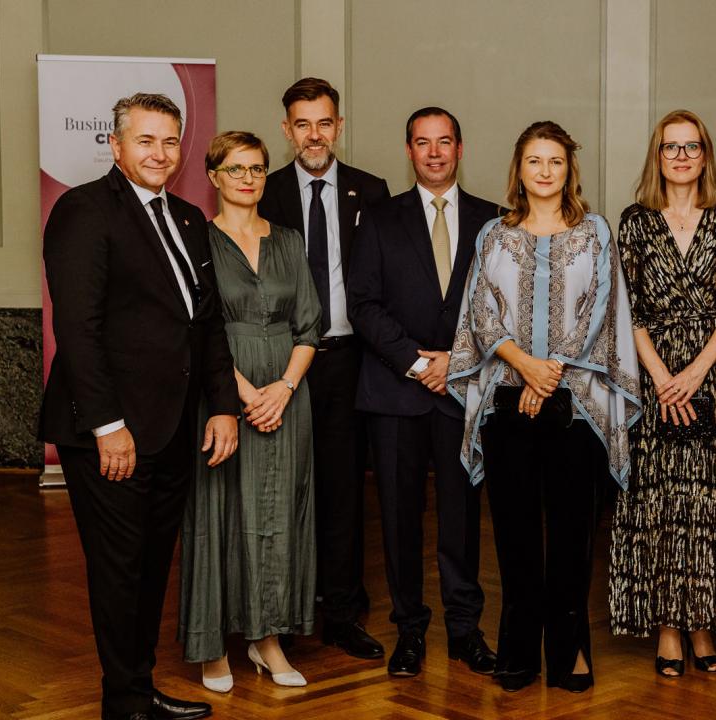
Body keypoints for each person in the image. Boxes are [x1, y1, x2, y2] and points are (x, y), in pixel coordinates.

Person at [39, 92, 238, 720]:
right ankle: (122, 701)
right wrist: (109, 426)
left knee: (152, 568)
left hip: (173, 427)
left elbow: (204, 326)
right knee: (120, 570)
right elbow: (77, 329)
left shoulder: (185, 217)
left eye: (170, 141)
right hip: (111, 434)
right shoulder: (84, 210)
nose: (160, 153)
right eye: (146, 140)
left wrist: (225, 406)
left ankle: (139, 688)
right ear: (116, 145)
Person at [447, 121, 640, 693]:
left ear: (568, 169)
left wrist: (548, 371)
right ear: (520, 169)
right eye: (535, 160)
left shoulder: (596, 232)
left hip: (576, 407)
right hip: (509, 405)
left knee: (573, 533)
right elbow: (481, 312)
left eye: (555, 160)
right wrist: (525, 368)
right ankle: (518, 650)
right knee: (514, 534)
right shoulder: (493, 236)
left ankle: (570, 650)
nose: (546, 171)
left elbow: (599, 307)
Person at [347, 107, 501, 678]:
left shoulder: (493, 222)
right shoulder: (378, 219)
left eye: (444, 142)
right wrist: (417, 362)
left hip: (464, 392)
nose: (434, 152)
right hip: (394, 392)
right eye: (422, 143)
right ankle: (409, 631)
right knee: (398, 517)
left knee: (462, 520)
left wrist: (453, 362)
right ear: (408, 150)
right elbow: (362, 304)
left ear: (460, 148)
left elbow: (500, 310)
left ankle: (465, 632)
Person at [609, 109, 716, 677]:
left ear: (705, 154)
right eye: (671, 147)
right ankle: (667, 629)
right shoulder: (636, 221)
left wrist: (694, 371)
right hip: (652, 379)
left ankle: (704, 626)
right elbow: (627, 308)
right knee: (661, 504)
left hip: (715, 374)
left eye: (692, 146)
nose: (681, 156)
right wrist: (662, 375)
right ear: (657, 155)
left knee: (712, 505)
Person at [176, 131, 320, 692]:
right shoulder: (196, 241)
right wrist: (238, 391)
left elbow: (309, 327)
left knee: (280, 514)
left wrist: (283, 387)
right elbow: (195, 330)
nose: (247, 179)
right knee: (217, 513)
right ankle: (213, 645)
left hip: (288, 394)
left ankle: (267, 639)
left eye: (257, 169)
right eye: (235, 169)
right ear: (212, 176)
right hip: (222, 393)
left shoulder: (287, 239)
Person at [256, 77, 390, 661]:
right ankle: (282, 616)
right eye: (302, 124)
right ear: (287, 130)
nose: (315, 134)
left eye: (325, 122)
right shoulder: (267, 190)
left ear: (339, 126)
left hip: (348, 362)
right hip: (282, 365)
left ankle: (339, 613)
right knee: (281, 490)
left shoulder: (372, 190)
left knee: (341, 492)